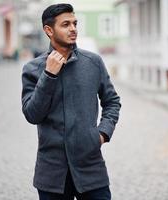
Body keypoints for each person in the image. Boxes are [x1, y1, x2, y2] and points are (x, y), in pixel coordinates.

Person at [21, 3, 121, 200]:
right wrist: (48, 74)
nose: (73, 28)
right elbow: (32, 115)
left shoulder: (93, 62)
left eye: (75, 23)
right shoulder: (33, 69)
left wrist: (101, 134)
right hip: (52, 173)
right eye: (65, 24)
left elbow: (112, 101)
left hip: (91, 167)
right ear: (49, 30)